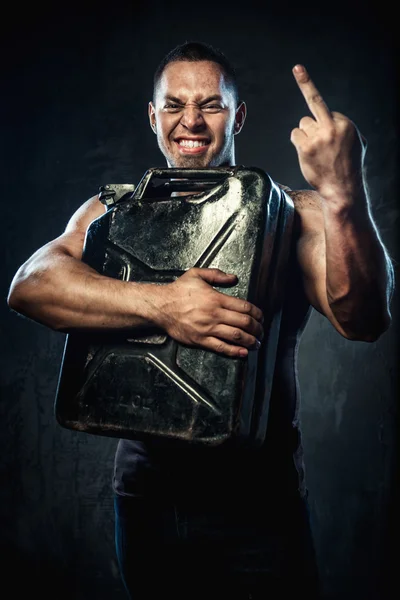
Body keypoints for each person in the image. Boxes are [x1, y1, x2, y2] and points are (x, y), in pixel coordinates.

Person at [7, 42, 394, 599]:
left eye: (210, 105)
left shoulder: (294, 212)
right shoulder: (112, 211)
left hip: (258, 508)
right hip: (143, 501)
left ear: (237, 116)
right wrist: (167, 305)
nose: (190, 120)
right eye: (174, 105)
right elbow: (31, 285)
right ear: (153, 115)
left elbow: (364, 319)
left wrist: (343, 193)